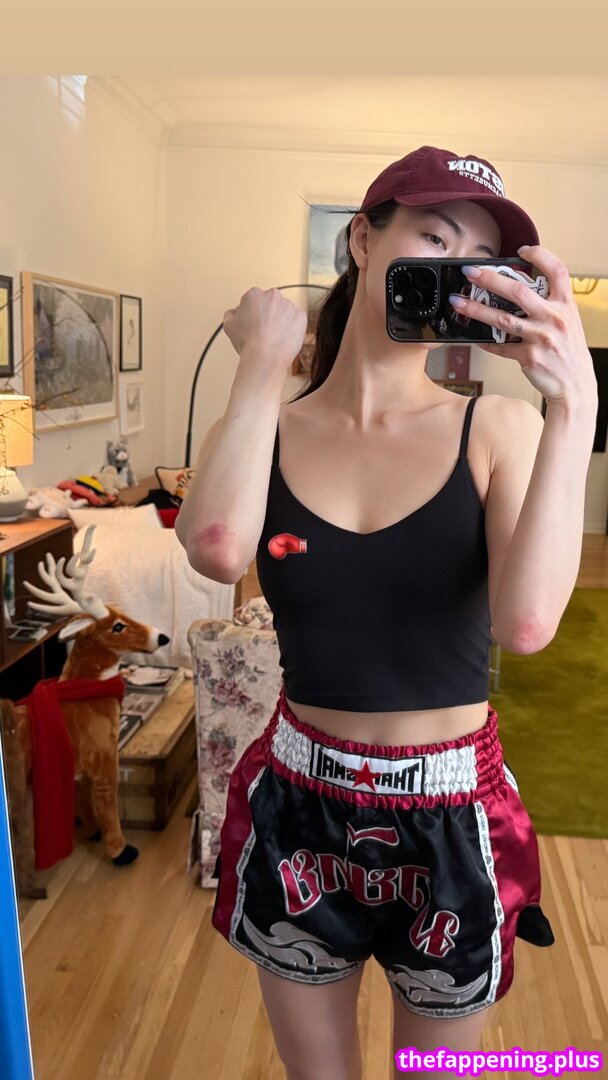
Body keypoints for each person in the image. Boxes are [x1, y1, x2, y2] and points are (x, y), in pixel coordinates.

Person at [176, 145, 599, 1080]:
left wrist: (575, 405)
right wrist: (264, 366)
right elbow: (215, 548)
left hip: (452, 812)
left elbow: (528, 625)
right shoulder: (265, 424)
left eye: (478, 260)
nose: (454, 272)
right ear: (363, 241)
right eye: (433, 239)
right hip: (299, 802)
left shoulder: (498, 426)